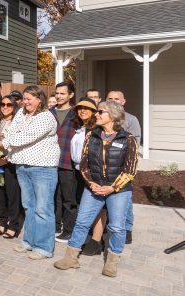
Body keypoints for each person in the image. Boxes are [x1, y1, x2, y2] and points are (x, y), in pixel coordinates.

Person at [54, 101, 138, 278]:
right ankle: (71, 258)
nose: (97, 114)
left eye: (101, 112)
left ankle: (112, 262)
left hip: (119, 190)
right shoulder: (91, 136)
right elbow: (84, 164)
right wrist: (91, 183)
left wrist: (112, 187)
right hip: (93, 187)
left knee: (116, 226)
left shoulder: (128, 139)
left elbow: (130, 170)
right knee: (82, 222)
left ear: (113, 116)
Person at [0, 85, 60, 259]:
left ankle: (44, 248)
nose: (25, 102)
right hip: (22, 165)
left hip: (43, 167)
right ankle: (29, 242)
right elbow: (11, 132)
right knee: (29, 207)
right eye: (24, 99)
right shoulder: (21, 113)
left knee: (43, 209)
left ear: (39, 99)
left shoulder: (46, 117)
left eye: (29, 99)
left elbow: (23, 137)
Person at [69, 98, 103, 255]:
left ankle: (97, 240)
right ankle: (88, 235)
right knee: (85, 206)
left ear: (94, 112)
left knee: (97, 207)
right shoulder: (80, 127)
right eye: (80, 108)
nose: (83, 111)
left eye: (87, 109)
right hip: (79, 171)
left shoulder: (97, 129)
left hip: (92, 172)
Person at [106, 90, 138, 244]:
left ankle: (127, 229)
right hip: (106, 167)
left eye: (116, 99)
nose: (113, 101)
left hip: (123, 169)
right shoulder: (102, 118)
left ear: (123, 101)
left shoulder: (131, 120)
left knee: (125, 201)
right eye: (110, 98)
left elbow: (134, 146)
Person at [0, 95, 22, 239]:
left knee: (12, 195)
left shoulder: (17, 122)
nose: (5, 107)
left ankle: (13, 225)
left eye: (9, 105)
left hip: (10, 163)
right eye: (3, 104)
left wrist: (5, 159)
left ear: (14, 107)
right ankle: (2, 222)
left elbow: (15, 142)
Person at [51, 81, 79, 244]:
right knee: (54, 196)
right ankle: (55, 226)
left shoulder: (77, 113)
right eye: (57, 93)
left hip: (68, 161)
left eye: (62, 93)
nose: (59, 96)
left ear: (70, 95)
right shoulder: (49, 113)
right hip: (51, 160)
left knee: (69, 198)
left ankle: (69, 230)